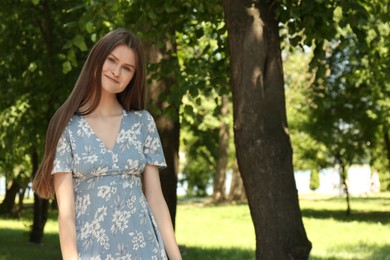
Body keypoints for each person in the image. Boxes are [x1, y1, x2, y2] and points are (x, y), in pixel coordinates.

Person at [32, 29, 182, 260]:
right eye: (111, 60)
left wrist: (176, 258)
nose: (116, 71)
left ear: (133, 76)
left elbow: (156, 199)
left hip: (144, 251)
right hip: (92, 253)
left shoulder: (142, 123)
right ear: (97, 59)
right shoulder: (66, 126)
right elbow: (66, 214)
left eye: (127, 68)